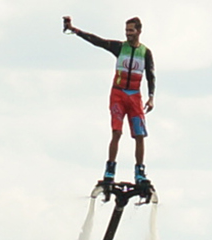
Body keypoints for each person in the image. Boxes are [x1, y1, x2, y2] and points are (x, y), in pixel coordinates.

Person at [62, 15, 156, 189]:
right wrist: (75, 30)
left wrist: (151, 97)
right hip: (118, 95)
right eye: (126, 30)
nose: (128, 34)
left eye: (131, 30)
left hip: (135, 96)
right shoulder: (120, 47)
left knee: (139, 135)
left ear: (139, 31)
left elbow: (150, 75)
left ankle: (140, 172)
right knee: (117, 132)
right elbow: (98, 41)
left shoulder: (145, 52)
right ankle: (110, 170)